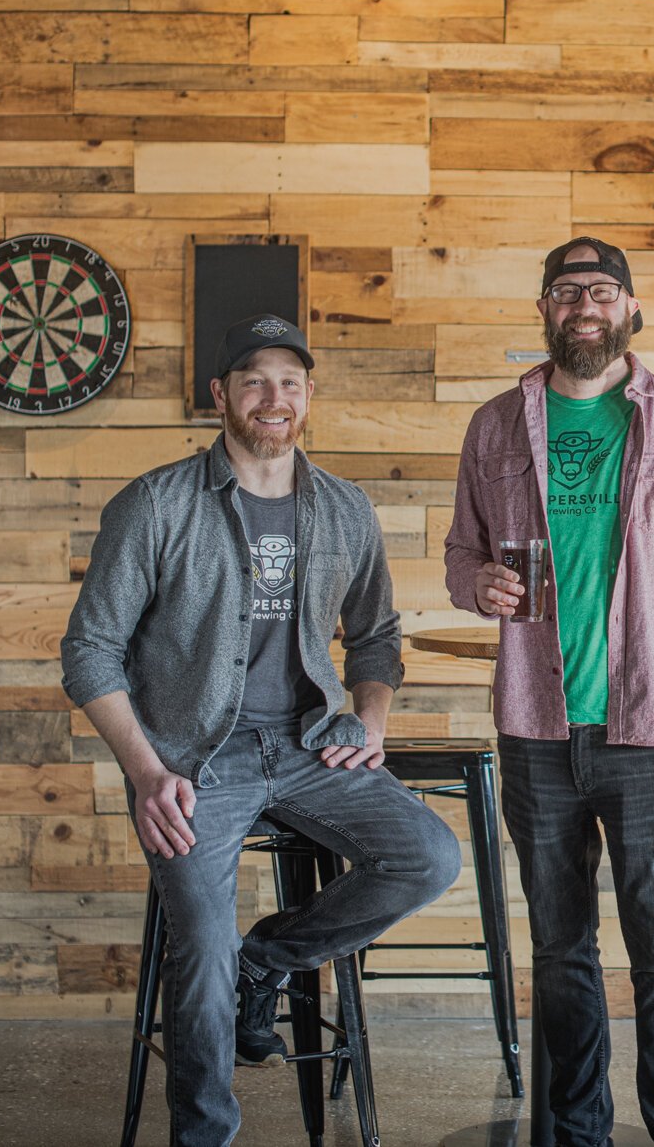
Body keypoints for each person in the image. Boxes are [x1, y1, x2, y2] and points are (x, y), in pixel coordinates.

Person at [61, 313, 460, 1147]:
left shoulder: (344, 507)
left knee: (429, 854)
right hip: (195, 757)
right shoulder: (155, 503)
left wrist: (370, 718)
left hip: (311, 744)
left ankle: (269, 959)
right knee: (199, 948)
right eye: (253, 380)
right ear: (220, 395)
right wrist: (145, 771)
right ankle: (203, 1134)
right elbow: (89, 651)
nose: (272, 397)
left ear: (309, 394)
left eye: (288, 381)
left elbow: (378, 635)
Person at [444, 236, 654, 1147]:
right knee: (560, 952)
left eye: (604, 290)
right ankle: (576, 1134)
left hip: (652, 730)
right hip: (536, 729)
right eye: (569, 289)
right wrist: (477, 587)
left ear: (631, 308)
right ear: (544, 307)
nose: (587, 304)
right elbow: (463, 552)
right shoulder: (496, 424)